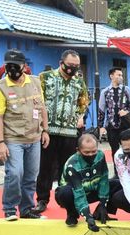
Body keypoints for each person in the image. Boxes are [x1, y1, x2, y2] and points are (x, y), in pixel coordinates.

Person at [0, 49, 50, 220]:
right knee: (15, 173)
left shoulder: (35, 82)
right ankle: (10, 208)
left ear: (24, 66)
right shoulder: (0, 88)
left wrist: (45, 130)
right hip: (12, 138)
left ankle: (26, 209)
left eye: (15, 65)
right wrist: (0, 143)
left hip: (34, 137)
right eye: (8, 66)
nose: (12, 69)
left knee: (31, 176)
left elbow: (42, 108)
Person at [33, 49, 89, 214]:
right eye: (70, 65)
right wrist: (41, 125)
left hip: (70, 132)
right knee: (45, 167)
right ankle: (42, 199)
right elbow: (37, 101)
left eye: (76, 66)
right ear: (61, 63)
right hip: (48, 131)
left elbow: (84, 101)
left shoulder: (79, 82)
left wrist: (80, 116)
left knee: (67, 168)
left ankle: (64, 199)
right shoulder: (45, 77)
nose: (73, 68)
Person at [55, 134, 111, 231]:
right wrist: (88, 217)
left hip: (91, 189)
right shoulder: (72, 166)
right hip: (74, 193)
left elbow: (104, 180)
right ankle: (72, 213)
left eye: (94, 151)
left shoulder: (101, 156)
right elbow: (78, 192)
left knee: (116, 185)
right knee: (64, 192)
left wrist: (102, 204)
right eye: (86, 152)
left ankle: (101, 212)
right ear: (78, 150)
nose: (91, 155)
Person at [99, 67, 130, 176]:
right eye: (118, 75)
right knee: (115, 151)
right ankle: (117, 174)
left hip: (125, 125)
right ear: (111, 76)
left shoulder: (126, 89)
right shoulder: (105, 92)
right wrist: (101, 126)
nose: (121, 77)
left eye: (121, 75)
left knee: (129, 148)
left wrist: (126, 111)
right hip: (111, 126)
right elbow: (101, 110)